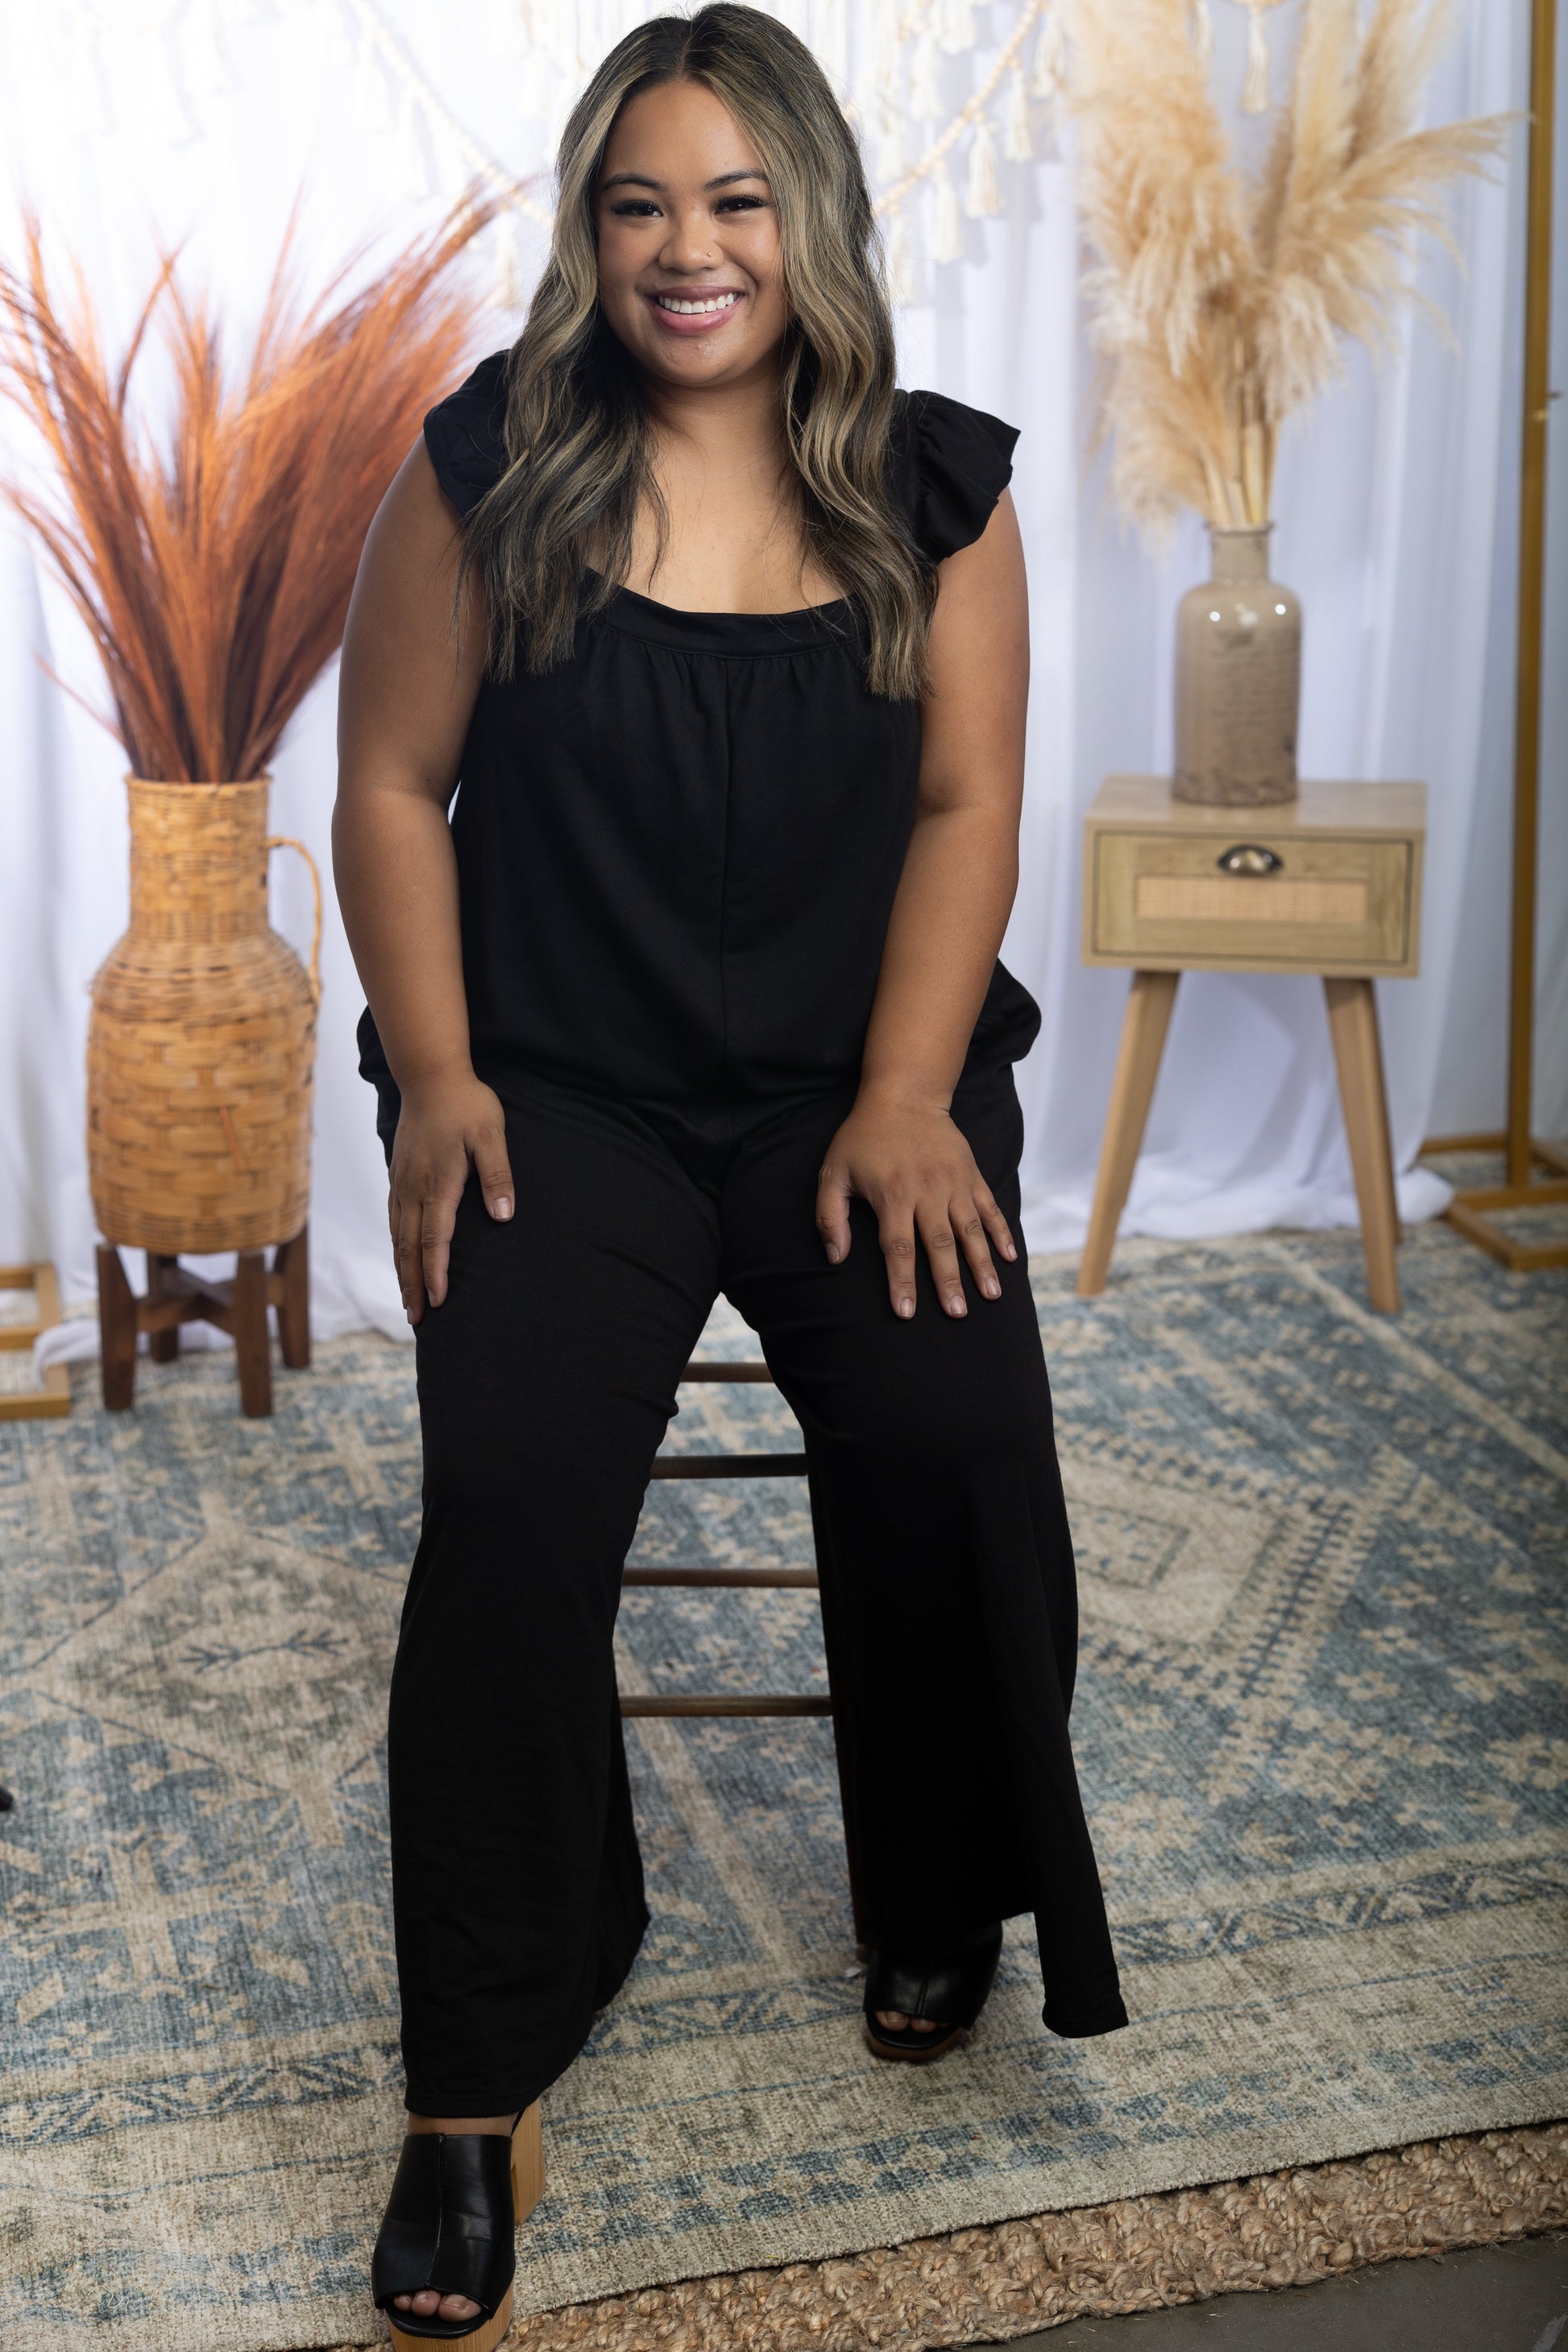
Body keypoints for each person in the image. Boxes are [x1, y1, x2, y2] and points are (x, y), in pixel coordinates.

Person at [333, 7, 1126, 2343]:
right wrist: (436, 1076)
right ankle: (479, 2068)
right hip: (555, 1089)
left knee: (951, 1418)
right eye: (640, 205)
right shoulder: (492, 465)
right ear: (590, 235)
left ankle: (938, 1884)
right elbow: (385, 786)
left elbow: (970, 803)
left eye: (737, 201)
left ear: (813, 221)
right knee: (507, 1483)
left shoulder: (933, 488)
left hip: (847, 1086)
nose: (690, 250)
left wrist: (904, 1097)